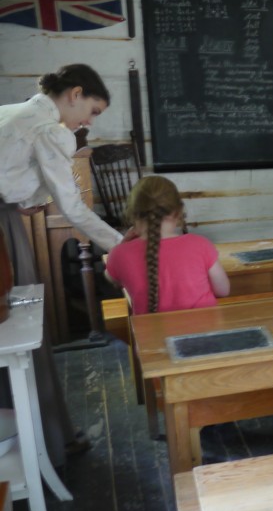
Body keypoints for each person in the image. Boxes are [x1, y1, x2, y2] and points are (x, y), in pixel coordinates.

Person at [0, 64, 125, 463]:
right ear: (74, 93)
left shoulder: (11, 112)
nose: (87, 122)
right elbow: (72, 207)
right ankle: (43, 442)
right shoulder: (50, 129)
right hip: (3, 230)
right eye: (92, 110)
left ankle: (28, 437)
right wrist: (120, 247)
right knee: (19, 334)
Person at [105, 176, 230, 313]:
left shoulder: (119, 254)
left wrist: (123, 244)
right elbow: (223, 291)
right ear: (178, 212)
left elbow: (113, 279)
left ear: (133, 214)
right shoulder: (201, 244)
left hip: (151, 334)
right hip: (207, 332)